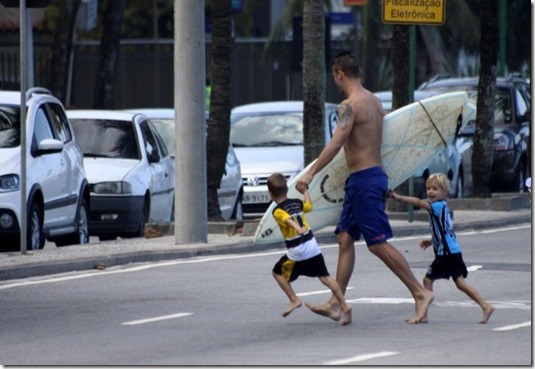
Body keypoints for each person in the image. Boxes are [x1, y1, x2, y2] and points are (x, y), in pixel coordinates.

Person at [295, 50, 434, 324]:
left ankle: (420, 292)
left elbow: (336, 143)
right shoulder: (374, 101)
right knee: (345, 238)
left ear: (339, 73)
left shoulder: (349, 105)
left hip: (365, 180)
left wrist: (310, 174)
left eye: (334, 76)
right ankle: (337, 303)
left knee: (377, 243)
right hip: (368, 177)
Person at [389, 173, 495, 324]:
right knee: (460, 283)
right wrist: (432, 240)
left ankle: (423, 314)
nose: (430, 192)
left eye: (435, 189)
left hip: (446, 254)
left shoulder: (437, 206)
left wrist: (397, 197)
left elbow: (419, 202)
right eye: (428, 188)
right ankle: (486, 306)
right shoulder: (443, 207)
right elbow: (446, 231)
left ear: (444, 192)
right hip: (453, 251)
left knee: (427, 280)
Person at [267, 172, 352, 326]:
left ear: (270, 194)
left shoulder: (277, 211)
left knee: (277, 273)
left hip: (298, 250)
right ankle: (345, 305)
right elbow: (310, 206)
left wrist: (297, 228)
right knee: (325, 277)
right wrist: (305, 191)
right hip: (312, 246)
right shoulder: (297, 203)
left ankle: (294, 300)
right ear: (287, 189)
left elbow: (286, 219)